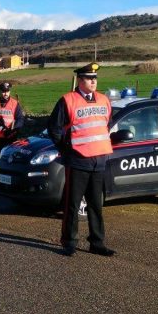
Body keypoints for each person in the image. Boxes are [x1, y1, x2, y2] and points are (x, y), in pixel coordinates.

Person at [47, 63, 116, 257]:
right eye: (88, 78)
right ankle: (69, 242)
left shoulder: (104, 100)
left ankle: (97, 242)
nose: (93, 81)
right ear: (79, 80)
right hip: (77, 161)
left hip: (99, 161)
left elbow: (107, 124)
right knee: (73, 204)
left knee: (96, 204)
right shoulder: (68, 100)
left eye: (95, 78)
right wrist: (66, 149)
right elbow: (54, 128)